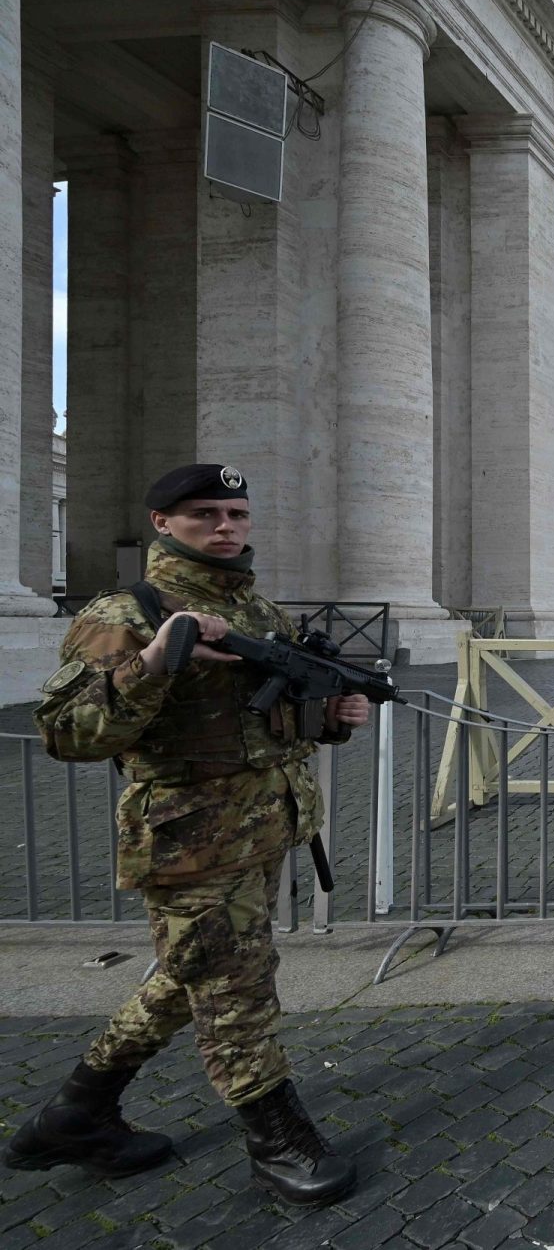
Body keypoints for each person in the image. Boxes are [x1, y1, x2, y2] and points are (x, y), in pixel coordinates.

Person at [6, 465, 368, 1204]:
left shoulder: (261, 610)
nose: (225, 526)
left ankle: (77, 1112)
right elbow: (66, 732)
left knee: (188, 973)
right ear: (162, 523)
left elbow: (274, 726)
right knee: (238, 990)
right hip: (189, 841)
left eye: (236, 512)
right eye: (204, 513)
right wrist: (152, 661)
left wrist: (332, 721)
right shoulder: (127, 612)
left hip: (262, 830)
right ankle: (278, 1141)